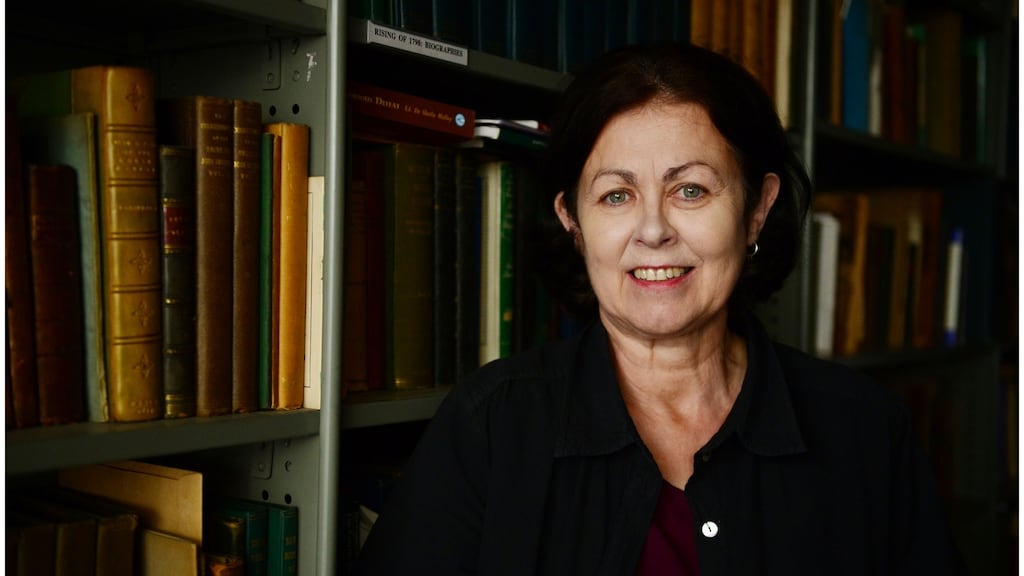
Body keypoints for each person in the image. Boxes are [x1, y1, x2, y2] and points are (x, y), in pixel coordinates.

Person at [356, 42, 965, 575]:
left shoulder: (865, 430)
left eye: (690, 190)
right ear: (573, 220)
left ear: (757, 207)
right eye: (617, 195)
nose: (652, 230)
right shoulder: (489, 426)